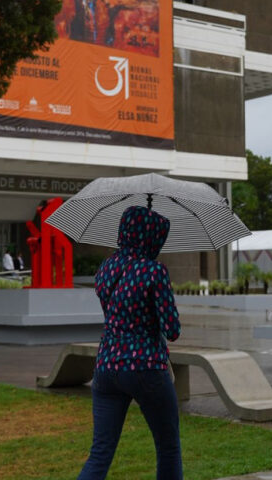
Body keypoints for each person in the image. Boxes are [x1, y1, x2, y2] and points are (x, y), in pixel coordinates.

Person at [77, 205, 182, 480]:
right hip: (145, 366)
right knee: (168, 447)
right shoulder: (153, 271)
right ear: (152, 237)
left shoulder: (106, 268)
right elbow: (172, 330)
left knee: (100, 452)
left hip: (106, 366)